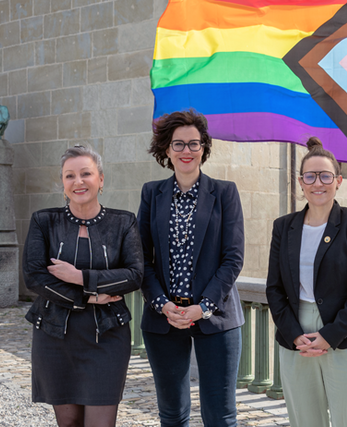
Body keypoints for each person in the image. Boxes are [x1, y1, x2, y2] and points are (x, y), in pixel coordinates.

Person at [137, 110, 245, 427]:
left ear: (204, 148)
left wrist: (204, 307)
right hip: (164, 319)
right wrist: (162, 304)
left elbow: (233, 257)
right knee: (172, 415)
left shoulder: (225, 193)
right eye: (179, 144)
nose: (187, 151)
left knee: (220, 416)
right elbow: (141, 257)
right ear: (167, 150)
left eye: (194, 144)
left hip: (217, 318)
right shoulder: (151, 193)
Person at [23, 145, 144, 427]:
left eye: (86, 173)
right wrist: (86, 297)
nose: (78, 182)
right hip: (55, 335)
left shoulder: (123, 222)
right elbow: (34, 277)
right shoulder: (44, 221)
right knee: (69, 424)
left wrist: (81, 277)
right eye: (70, 176)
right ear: (63, 183)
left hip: (107, 336)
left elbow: (134, 275)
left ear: (101, 179)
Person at [266, 137, 347, 427]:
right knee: (305, 421)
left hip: (345, 334)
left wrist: (330, 335)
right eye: (311, 176)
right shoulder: (284, 227)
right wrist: (293, 334)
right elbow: (274, 288)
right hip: (296, 336)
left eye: (326, 175)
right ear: (300, 182)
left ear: (338, 181)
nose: (318, 183)